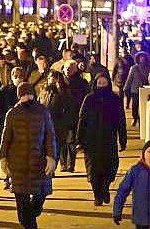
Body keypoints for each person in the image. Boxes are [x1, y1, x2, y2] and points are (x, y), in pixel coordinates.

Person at [0, 82, 57, 229]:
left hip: (38, 161)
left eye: (28, 94)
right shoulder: (12, 113)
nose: (26, 97)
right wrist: (3, 157)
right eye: (23, 94)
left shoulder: (43, 112)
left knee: (37, 198)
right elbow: (6, 138)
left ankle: (29, 218)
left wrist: (51, 157)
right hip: (19, 164)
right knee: (22, 202)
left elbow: (50, 136)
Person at [77, 72, 128, 206]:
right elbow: (82, 119)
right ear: (95, 84)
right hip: (91, 141)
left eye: (104, 83)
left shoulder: (115, 99)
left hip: (108, 140)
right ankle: (97, 195)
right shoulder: (89, 99)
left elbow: (121, 120)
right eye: (99, 83)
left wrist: (123, 139)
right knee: (93, 171)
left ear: (108, 84)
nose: (101, 86)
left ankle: (105, 189)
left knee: (110, 168)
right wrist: (79, 139)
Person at [38, 70, 72, 174]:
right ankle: (48, 168)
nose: (50, 79)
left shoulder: (63, 92)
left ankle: (52, 168)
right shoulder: (44, 91)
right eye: (49, 77)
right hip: (44, 124)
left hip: (58, 125)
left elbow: (67, 107)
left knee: (56, 147)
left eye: (53, 77)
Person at [113, 141, 150, 229]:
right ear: (144, 154)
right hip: (142, 218)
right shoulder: (135, 171)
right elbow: (122, 191)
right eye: (149, 152)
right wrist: (117, 211)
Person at [124, 51, 149, 127]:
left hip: (144, 90)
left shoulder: (148, 68)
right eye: (141, 57)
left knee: (143, 105)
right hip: (135, 90)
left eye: (144, 57)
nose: (142, 59)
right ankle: (135, 118)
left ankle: (142, 120)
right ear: (138, 58)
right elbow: (129, 78)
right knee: (135, 105)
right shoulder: (134, 68)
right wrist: (126, 87)